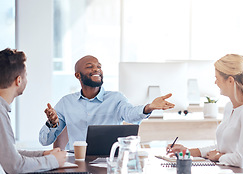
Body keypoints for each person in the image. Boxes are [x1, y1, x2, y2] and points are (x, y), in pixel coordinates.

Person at [39, 55, 175, 150]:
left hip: (108, 161)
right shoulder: (66, 102)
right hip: (77, 161)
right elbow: (44, 141)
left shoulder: (116, 98)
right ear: (78, 75)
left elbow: (130, 114)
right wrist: (51, 123)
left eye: (99, 66)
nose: (96, 69)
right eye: (89, 67)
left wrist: (148, 107)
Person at [168, 54, 243, 169]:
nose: (215, 82)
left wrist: (219, 157)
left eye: (217, 78)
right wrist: (188, 151)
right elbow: (221, 149)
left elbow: (241, 160)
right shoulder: (230, 107)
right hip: (229, 172)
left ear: (230, 81)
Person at [0, 48, 66, 174]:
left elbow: (8, 152)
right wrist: (53, 161)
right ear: (19, 80)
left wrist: (43, 154)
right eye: (26, 76)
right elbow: (13, 164)